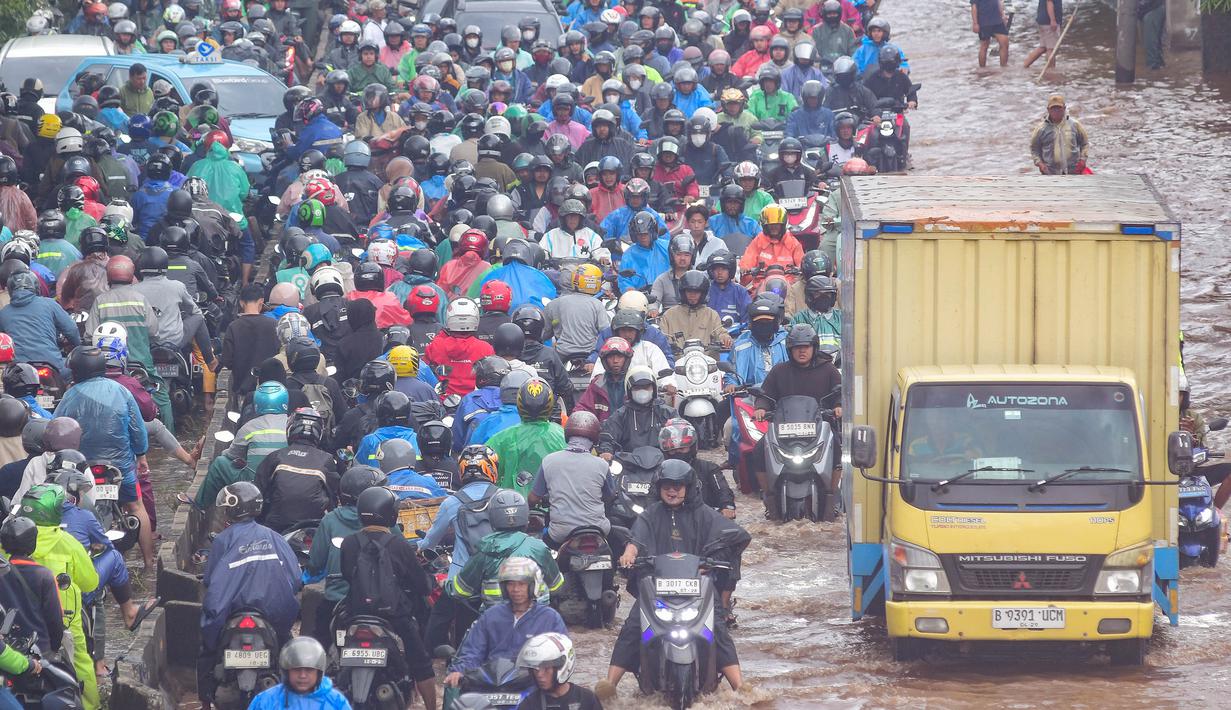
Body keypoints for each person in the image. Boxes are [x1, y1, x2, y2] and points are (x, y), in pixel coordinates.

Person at [597, 460, 749, 700]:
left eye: (678, 486)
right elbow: (636, 539)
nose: (672, 490)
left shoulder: (705, 514)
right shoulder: (651, 513)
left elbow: (735, 537)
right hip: (657, 590)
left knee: (717, 627)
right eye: (667, 485)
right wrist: (629, 553)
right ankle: (609, 685)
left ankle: (741, 688)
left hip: (697, 590)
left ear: (688, 487)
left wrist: (709, 562)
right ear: (659, 487)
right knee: (633, 626)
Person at [199, 482, 303, 709]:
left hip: (232, 614)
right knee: (289, 648)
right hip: (272, 616)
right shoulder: (275, 537)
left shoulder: (222, 540)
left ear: (233, 510)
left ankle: (205, 701)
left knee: (207, 651)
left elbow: (210, 581)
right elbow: (296, 579)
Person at [55, 347, 157, 568]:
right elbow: (137, 430)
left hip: (83, 469)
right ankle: (149, 562)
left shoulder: (70, 396)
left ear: (76, 370)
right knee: (137, 507)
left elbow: (56, 428)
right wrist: (141, 456)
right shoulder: (121, 391)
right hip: (120, 468)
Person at [340, 486, 438, 710]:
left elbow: (347, 575)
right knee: (421, 663)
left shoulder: (349, 543)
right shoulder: (398, 544)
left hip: (356, 614)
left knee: (334, 652)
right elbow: (420, 585)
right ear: (391, 514)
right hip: (394, 617)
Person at [19, 484, 101, 710]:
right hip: (65, 618)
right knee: (81, 663)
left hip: (20, 617)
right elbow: (90, 582)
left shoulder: (12, 539)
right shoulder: (67, 542)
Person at [444, 557, 567, 688]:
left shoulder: (550, 618)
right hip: (491, 685)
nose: (515, 589)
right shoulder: (491, 616)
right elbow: (473, 651)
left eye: (522, 584)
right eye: (510, 584)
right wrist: (459, 671)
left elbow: (561, 656)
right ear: (504, 587)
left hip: (532, 687)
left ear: (533, 586)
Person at [450, 489, 563, 608]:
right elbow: (556, 586)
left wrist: (445, 584)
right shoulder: (539, 548)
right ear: (525, 517)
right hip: (536, 618)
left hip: (497, 620)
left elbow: (461, 591)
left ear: (492, 519)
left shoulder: (485, 551)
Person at [530, 410, 620, 547]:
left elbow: (533, 499)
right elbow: (610, 496)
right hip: (598, 530)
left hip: (560, 534)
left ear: (568, 434)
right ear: (595, 437)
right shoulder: (601, 464)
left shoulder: (549, 461)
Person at [255, 408, 338, 533]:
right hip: (313, 528)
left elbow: (258, 491)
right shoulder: (327, 460)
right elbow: (333, 498)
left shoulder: (276, 457)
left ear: (290, 429)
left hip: (275, 527)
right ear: (320, 433)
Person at [485, 378, 566, 495]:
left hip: (508, 506)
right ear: (549, 405)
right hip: (553, 506)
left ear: (519, 403)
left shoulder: (501, 438)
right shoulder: (562, 435)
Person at [0, 271, 79, 378]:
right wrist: (78, 345)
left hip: (18, 370)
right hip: (52, 365)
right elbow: (71, 329)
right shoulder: (50, 304)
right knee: (75, 374)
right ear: (36, 287)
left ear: (10, 290)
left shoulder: (4, 313)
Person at [248, 636, 351, 710]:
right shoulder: (266, 701)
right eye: (297, 670)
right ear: (286, 671)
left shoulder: (336, 701)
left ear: (318, 672)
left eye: (309, 670)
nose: (302, 675)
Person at [598, 367, 676, 459]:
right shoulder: (621, 415)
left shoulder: (668, 413)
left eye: (646, 387)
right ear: (629, 390)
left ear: (654, 389)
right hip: (629, 466)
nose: (642, 391)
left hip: (662, 464)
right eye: (637, 387)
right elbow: (608, 438)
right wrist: (607, 451)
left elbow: (679, 436)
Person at [517, 632, 602, 710]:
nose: (539, 675)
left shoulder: (587, 699)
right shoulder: (529, 704)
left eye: (546, 668)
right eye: (535, 669)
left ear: (562, 667)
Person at [544, 264, 610, 361]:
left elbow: (544, 333)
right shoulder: (597, 304)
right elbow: (606, 332)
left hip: (562, 354)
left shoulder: (554, 304)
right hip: (589, 355)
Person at [1029, 94, 1090, 175]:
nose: (1056, 111)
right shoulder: (1041, 129)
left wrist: (1083, 160)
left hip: (1074, 172)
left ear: (1064, 108)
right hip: (1050, 173)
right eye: (1053, 108)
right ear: (1048, 110)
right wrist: (1040, 164)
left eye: (1059, 108)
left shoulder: (1075, 125)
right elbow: (1034, 148)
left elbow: (1085, 143)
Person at [790, 275, 841, 348]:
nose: (823, 297)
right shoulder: (799, 318)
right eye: (818, 294)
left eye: (827, 294)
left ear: (833, 296)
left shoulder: (841, 318)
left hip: (838, 359)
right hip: (812, 359)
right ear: (809, 296)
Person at [1023, 0, 1062, 70]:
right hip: (1048, 22)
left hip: (1043, 20)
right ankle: (1051, 71)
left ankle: (1025, 65)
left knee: (1043, 47)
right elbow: (1049, 2)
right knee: (1051, 49)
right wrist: (1052, 20)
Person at [971, 0, 1010, 68]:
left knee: (1005, 43)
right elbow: (974, 7)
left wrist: (1003, 15)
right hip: (984, 21)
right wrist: (975, 23)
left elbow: (999, 2)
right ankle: (982, 68)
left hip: (998, 21)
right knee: (984, 45)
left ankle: (1004, 67)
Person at [1139, 0, 1165, 70]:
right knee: (1154, 44)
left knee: (1150, 43)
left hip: (1152, 9)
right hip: (1151, 8)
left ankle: (1153, 72)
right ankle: (1158, 71)